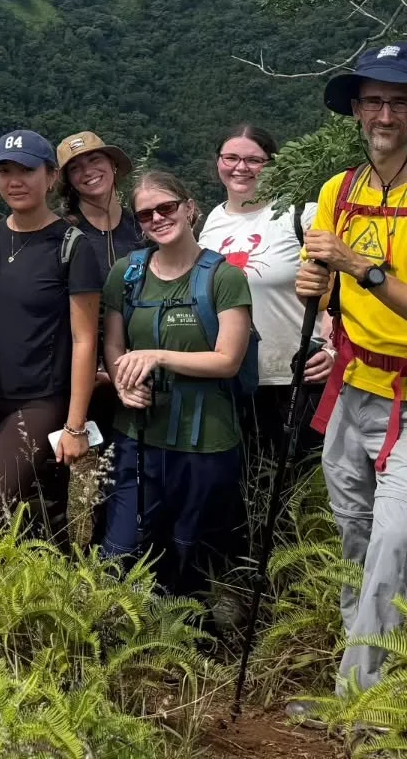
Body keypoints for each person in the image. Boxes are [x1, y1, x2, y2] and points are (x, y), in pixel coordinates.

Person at [295, 42, 407, 693]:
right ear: (357, 112)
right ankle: (365, 666)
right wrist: (315, 282)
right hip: (351, 386)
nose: (384, 114)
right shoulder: (339, 190)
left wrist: (358, 266)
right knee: (355, 541)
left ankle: (356, 700)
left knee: (395, 541)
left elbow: (357, 271)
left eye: (397, 101)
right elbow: (320, 288)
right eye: (373, 101)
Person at [100, 170, 253, 597]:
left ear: (189, 207)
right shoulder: (126, 275)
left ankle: (188, 646)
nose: (157, 219)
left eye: (166, 208)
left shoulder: (223, 278)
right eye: (146, 214)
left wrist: (157, 356)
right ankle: (121, 644)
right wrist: (122, 383)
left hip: (204, 437)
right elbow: (113, 344)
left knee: (190, 552)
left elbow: (228, 359)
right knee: (123, 547)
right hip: (137, 434)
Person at [0, 130, 103, 543]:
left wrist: (75, 426)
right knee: (17, 508)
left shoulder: (70, 246)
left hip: (39, 400)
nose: (15, 180)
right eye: (4, 171)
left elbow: (84, 340)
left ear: (51, 176)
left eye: (26, 169)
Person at [198, 124, 334, 451]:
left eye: (254, 160)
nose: (240, 167)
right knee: (245, 488)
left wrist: (332, 348)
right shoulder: (209, 224)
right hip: (231, 379)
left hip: (296, 378)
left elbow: (344, 287)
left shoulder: (301, 216)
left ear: (272, 165)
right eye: (230, 157)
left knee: (299, 486)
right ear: (218, 162)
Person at [56, 131, 144, 272]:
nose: (87, 171)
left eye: (94, 160)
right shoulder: (58, 231)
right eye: (75, 168)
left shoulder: (141, 226)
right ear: (69, 181)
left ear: (113, 164)